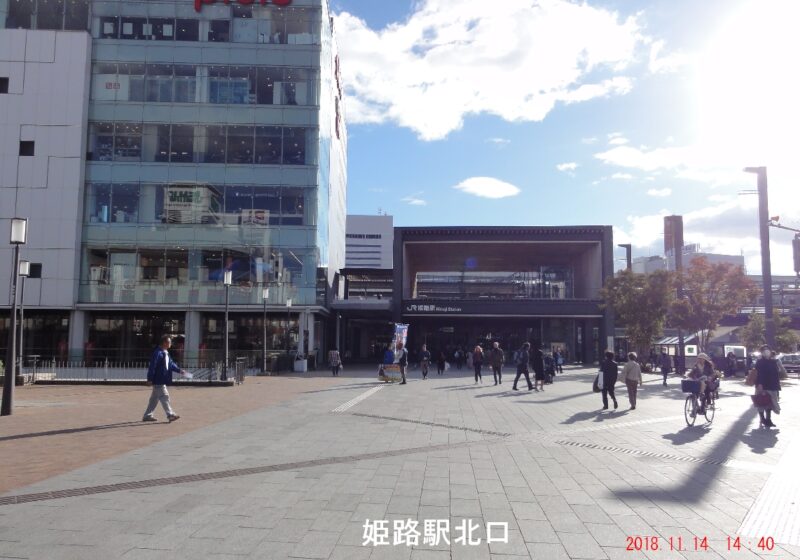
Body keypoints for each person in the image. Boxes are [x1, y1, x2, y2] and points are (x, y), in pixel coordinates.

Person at [142, 335, 184, 422]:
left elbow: (171, 364)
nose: (171, 343)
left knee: (154, 399)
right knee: (165, 396)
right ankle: (170, 414)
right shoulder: (158, 353)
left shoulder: (165, 352)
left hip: (161, 379)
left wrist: (179, 370)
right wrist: (149, 379)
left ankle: (147, 415)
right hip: (158, 380)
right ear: (164, 343)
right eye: (169, 342)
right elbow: (152, 366)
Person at [755, 344, 781, 428]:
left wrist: (777, 387)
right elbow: (758, 374)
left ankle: (768, 419)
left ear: (770, 351)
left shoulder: (774, 361)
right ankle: (762, 419)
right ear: (761, 352)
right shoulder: (760, 362)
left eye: (767, 350)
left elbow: (777, 373)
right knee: (761, 403)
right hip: (762, 385)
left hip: (772, 385)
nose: (766, 351)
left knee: (770, 403)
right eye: (764, 350)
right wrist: (759, 384)